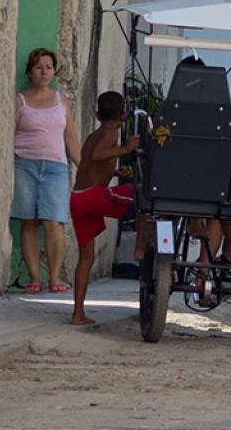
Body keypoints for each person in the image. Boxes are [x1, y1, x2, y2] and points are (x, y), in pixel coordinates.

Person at [13, 48, 80, 295]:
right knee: (28, 221)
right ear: (30, 72)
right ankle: (34, 278)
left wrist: (82, 167)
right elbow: (11, 133)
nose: (44, 72)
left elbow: (70, 137)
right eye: (39, 67)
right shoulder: (20, 100)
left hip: (56, 168)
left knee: (54, 222)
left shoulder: (61, 100)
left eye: (49, 67)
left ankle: (54, 277)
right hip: (25, 165)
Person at [69, 91, 140, 326]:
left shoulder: (94, 134)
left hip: (78, 198)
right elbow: (100, 155)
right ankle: (140, 249)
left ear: (97, 114)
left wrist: (116, 172)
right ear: (123, 115)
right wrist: (127, 149)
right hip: (93, 197)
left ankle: (78, 314)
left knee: (86, 257)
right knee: (143, 195)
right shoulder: (112, 132)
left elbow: (91, 162)